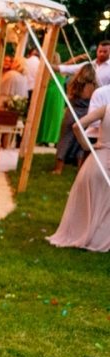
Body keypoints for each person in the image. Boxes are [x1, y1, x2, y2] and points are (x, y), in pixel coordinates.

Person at [47, 103, 110, 251]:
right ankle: (97, 240)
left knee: (88, 202)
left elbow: (77, 126)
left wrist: (86, 146)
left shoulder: (106, 108)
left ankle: (81, 234)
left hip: (97, 159)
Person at [53, 65, 97, 174]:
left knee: (65, 140)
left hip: (72, 113)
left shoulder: (73, 84)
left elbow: (69, 97)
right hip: (86, 115)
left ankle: (58, 168)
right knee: (81, 143)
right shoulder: (94, 86)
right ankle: (80, 169)